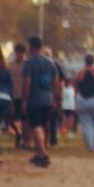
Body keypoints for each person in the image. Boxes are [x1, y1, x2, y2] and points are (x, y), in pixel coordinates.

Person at [22, 36, 60, 167]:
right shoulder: (50, 62)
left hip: (34, 98)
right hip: (48, 98)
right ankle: (39, 153)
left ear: (31, 47)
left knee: (36, 126)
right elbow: (56, 81)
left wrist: (24, 99)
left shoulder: (29, 63)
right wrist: (55, 97)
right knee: (43, 125)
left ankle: (43, 154)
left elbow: (27, 81)